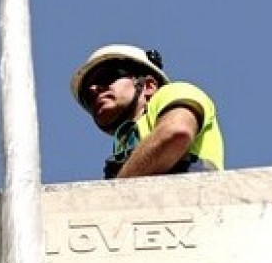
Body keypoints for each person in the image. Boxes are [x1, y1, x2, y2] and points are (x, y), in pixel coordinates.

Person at [70, 44, 224, 179]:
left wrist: (117, 191)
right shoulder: (125, 143)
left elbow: (176, 132)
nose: (94, 90)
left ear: (149, 86)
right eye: (88, 97)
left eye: (105, 78)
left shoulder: (173, 92)